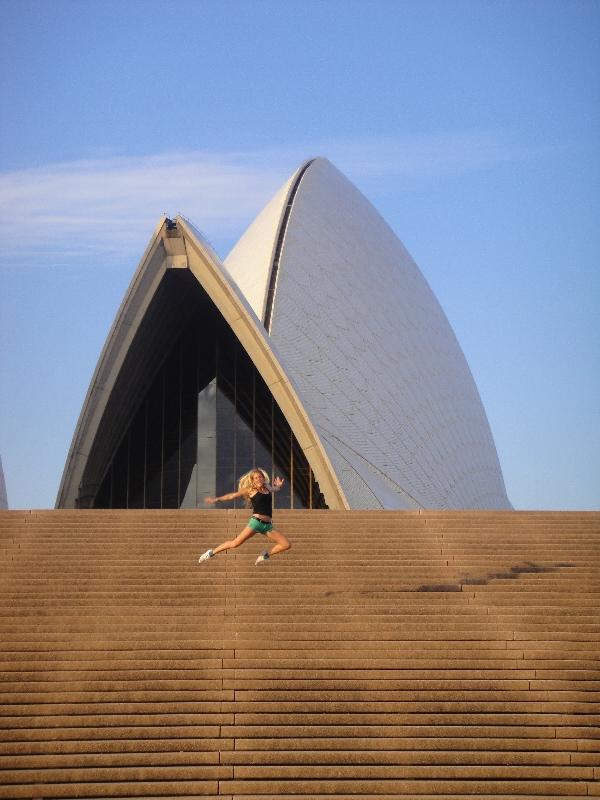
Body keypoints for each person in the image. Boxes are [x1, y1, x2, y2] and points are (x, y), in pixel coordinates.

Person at [198, 468, 291, 566]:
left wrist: (279, 486)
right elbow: (232, 496)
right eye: (256, 478)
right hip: (256, 523)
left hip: (267, 526)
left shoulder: (267, 487)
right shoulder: (250, 490)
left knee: (286, 544)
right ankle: (211, 552)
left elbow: (274, 489)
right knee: (235, 543)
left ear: (263, 478)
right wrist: (216, 499)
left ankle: (265, 555)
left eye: (260, 477)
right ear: (252, 480)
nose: (258, 479)